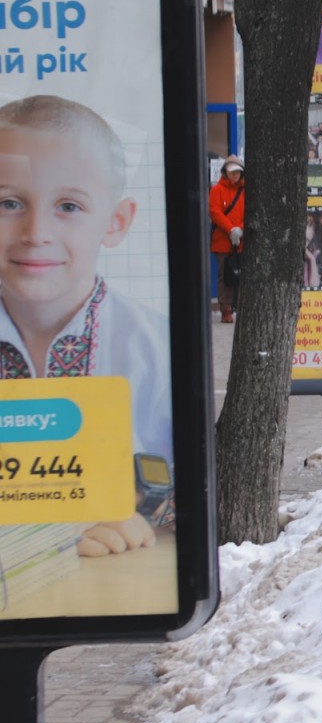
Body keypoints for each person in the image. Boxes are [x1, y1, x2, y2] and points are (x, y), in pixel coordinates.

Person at [0, 96, 172, 557]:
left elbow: (189, 495)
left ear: (115, 223)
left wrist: (139, 512)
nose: (36, 232)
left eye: (69, 207)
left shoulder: (158, 350)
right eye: (10, 203)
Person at [208, 153, 246, 323]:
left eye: (237, 172)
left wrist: (241, 230)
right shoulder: (217, 190)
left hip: (241, 240)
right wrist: (231, 229)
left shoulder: (245, 190)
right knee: (225, 275)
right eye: (232, 172)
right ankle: (226, 308)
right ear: (225, 172)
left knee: (241, 274)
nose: (235, 175)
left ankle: (239, 306)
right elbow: (215, 212)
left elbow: (249, 212)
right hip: (223, 240)